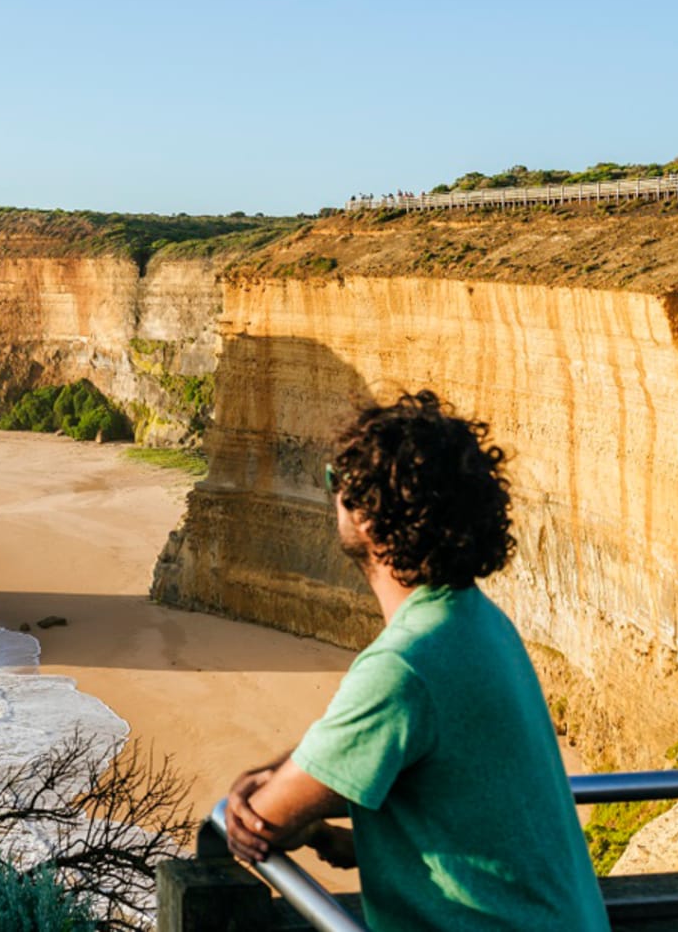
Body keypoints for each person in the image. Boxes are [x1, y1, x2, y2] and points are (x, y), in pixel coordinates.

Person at [223, 390, 608, 930]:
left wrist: (267, 795)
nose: (332, 494)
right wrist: (342, 838)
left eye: (338, 481)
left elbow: (264, 816)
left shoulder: (404, 667)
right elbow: (460, 808)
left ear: (371, 521)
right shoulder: (480, 623)